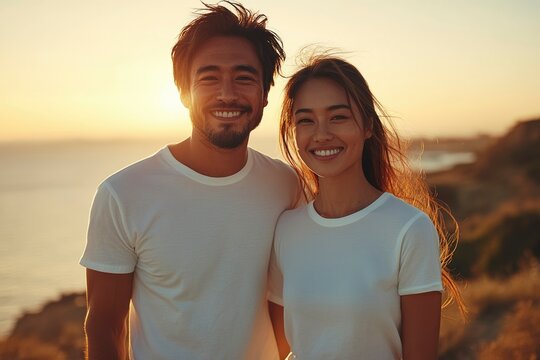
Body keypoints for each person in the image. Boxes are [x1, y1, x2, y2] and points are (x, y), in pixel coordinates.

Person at [80, 2, 299, 359]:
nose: (227, 94)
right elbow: (104, 326)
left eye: (244, 77)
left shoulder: (285, 184)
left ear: (264, 93)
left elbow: (288, 305)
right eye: (209, 78)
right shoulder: (123, 193)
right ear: (183, 92)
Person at [268, 55, 465, 360]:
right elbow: (280, 349)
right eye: (305, 120)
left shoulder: (408, 228)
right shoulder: (286, 229)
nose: (321, 134)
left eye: (338, 117)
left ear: (368, 127)